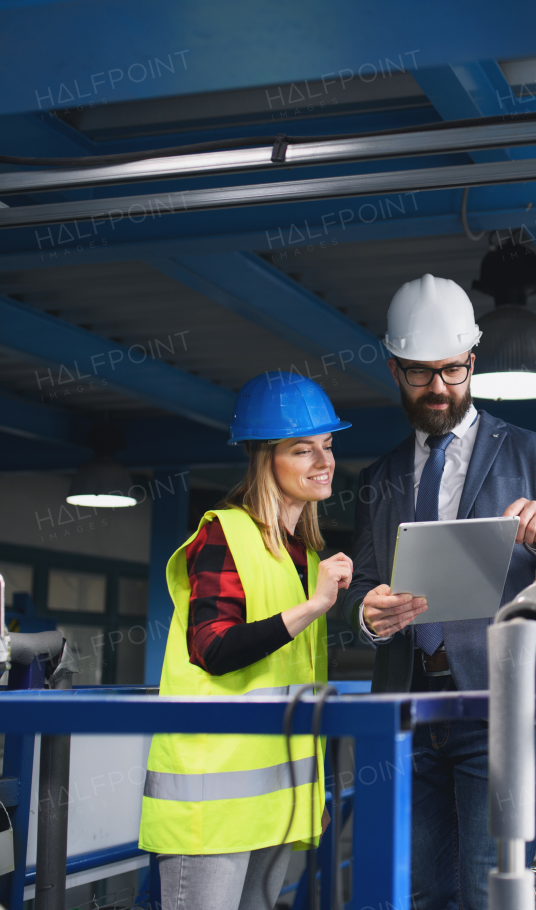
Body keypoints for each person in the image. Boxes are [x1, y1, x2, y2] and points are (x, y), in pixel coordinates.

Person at [347, 274, 536, 910]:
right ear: (394, 369)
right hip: (406, 712)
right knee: (423, 891)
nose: (438, 387)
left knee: (491, 889)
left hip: (493, 708)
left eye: (452, 371)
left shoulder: (527, 450)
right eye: (420, 373)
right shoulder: (377, 477)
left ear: (472, 361)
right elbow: (360, 582)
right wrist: (366, 614)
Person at [139, 371, 353, 910]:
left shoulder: (300, 556)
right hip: (209, 805)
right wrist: (313, 606)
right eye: (302, 450)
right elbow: (213, 647)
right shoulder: (223, 534)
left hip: (276, 800)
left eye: (327, 446)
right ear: (265, 460)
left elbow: (296, 684)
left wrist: (312, 795)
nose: (323, 461)